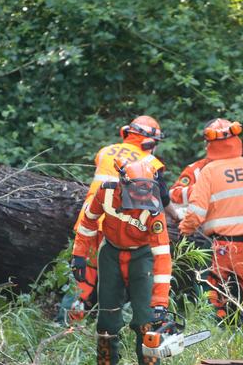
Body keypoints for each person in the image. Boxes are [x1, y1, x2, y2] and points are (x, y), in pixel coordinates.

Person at [61, 116, 169, 322]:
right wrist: (177, 216)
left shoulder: (105, 151)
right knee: (130, 277)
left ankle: (67, 324)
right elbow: (163, 197)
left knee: (83, 275)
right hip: (120, 222)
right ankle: (123, 321)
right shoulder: (148, 162)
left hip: (92, 220)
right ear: (150, 142)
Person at [72, 158, 172, 365]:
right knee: (107, 319)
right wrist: (79, 255)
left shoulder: (154, 210)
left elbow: (162, 256)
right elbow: (89, 220)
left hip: (141, 257)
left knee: (147, 319)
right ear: (122, 183)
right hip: (110, 253)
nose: (141, 197)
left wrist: (161, 302)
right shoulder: (106, 192)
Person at [179, 118, 243, 318]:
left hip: (224, 244)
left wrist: (185, 229)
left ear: (210, 144)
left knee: (214, 284)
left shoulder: (209, 171)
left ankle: (217, 325)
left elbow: (196, 213)